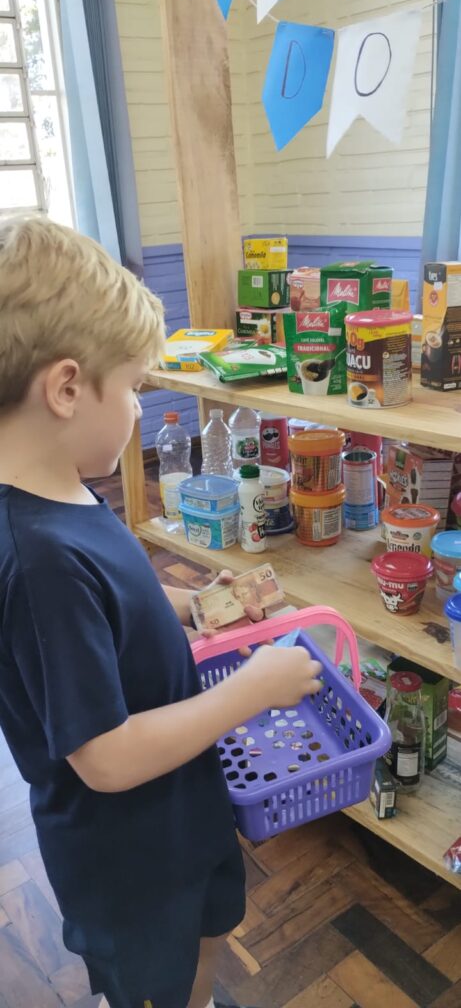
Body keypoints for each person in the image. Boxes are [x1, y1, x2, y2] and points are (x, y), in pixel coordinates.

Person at [0, 217, 322, 1008]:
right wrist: (250, 691)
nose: (141, 411)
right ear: (66, 388)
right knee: (157, 978)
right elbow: (104, 758)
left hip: (177, 807)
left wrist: (198, 604)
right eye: (134, 388)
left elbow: (115, 603)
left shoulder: (67, 494)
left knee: (202, 943)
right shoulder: (38, 561)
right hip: (129, 859)